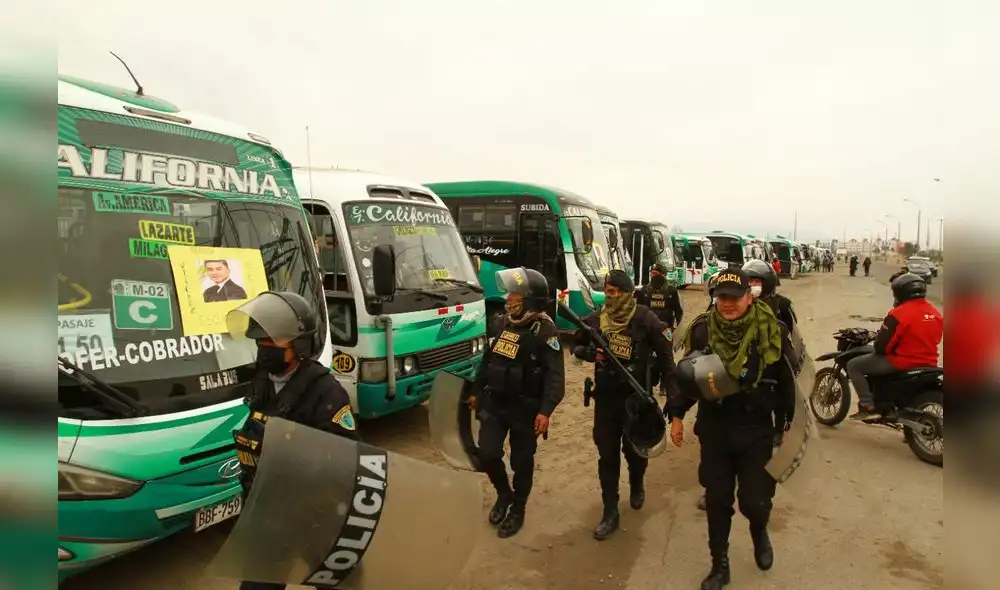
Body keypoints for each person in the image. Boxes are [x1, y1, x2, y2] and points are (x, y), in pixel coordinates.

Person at [665, 269, 798, 590]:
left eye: (734, 297)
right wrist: (678, 415)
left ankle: (759, 529)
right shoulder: (702, 331)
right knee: (717, 500)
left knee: (755, 501)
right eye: (721, 297)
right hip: (716, 430)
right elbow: (686, 377)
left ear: (749, 296)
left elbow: (787, 381)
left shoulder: (772, 330)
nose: (727, 303)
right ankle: (719, 565)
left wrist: (789, 423)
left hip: (757, 430)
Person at [226, 291, 360, 590]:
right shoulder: (261, 380)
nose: (264, 348)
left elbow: (345, 460)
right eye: (260, 341)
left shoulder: (325, 393)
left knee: (339, 582)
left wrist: (289, 445)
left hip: (313, 513)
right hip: (269, 513)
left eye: (273, 341)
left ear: (299, 344)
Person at [573, 269, 676, 540]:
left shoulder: (644, 318)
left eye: (618, 292)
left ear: (629, 293)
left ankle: (637, 482)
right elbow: (576, 343)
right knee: (607, 455)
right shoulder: (597, 319)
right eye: (609, 292)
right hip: (606, 400)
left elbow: (667, 356)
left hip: (636, 400)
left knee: (634, 452)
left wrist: (674, 396)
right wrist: (587, 353)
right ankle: (610, 512)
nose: (613, 297)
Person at [471, 267, 565, 538]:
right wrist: (477, 389)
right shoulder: (503, 322)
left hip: (525, 409)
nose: (508, 298)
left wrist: (546, 411)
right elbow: (488, 361)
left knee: (522, 462)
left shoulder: (544, 330)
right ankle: (504, 494)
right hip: (496, 403)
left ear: (530, 299)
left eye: (515, 293)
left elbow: (555, 377)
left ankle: (518, 509)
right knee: (487, 454)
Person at [846, 273, 943, 421]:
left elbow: (882, 347)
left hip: (902, 361)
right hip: (929, 362)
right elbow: (935, 339)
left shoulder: (898, 314)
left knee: (854, 365)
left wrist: (881, 344)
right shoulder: (935, 313)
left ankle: (868, 406)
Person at [743, 259, 797, 333]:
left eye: (757, 281)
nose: (752, 285)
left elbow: (792, 333)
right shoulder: (740, 304)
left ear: (767, 284)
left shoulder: (782, 305)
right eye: (750, 281)